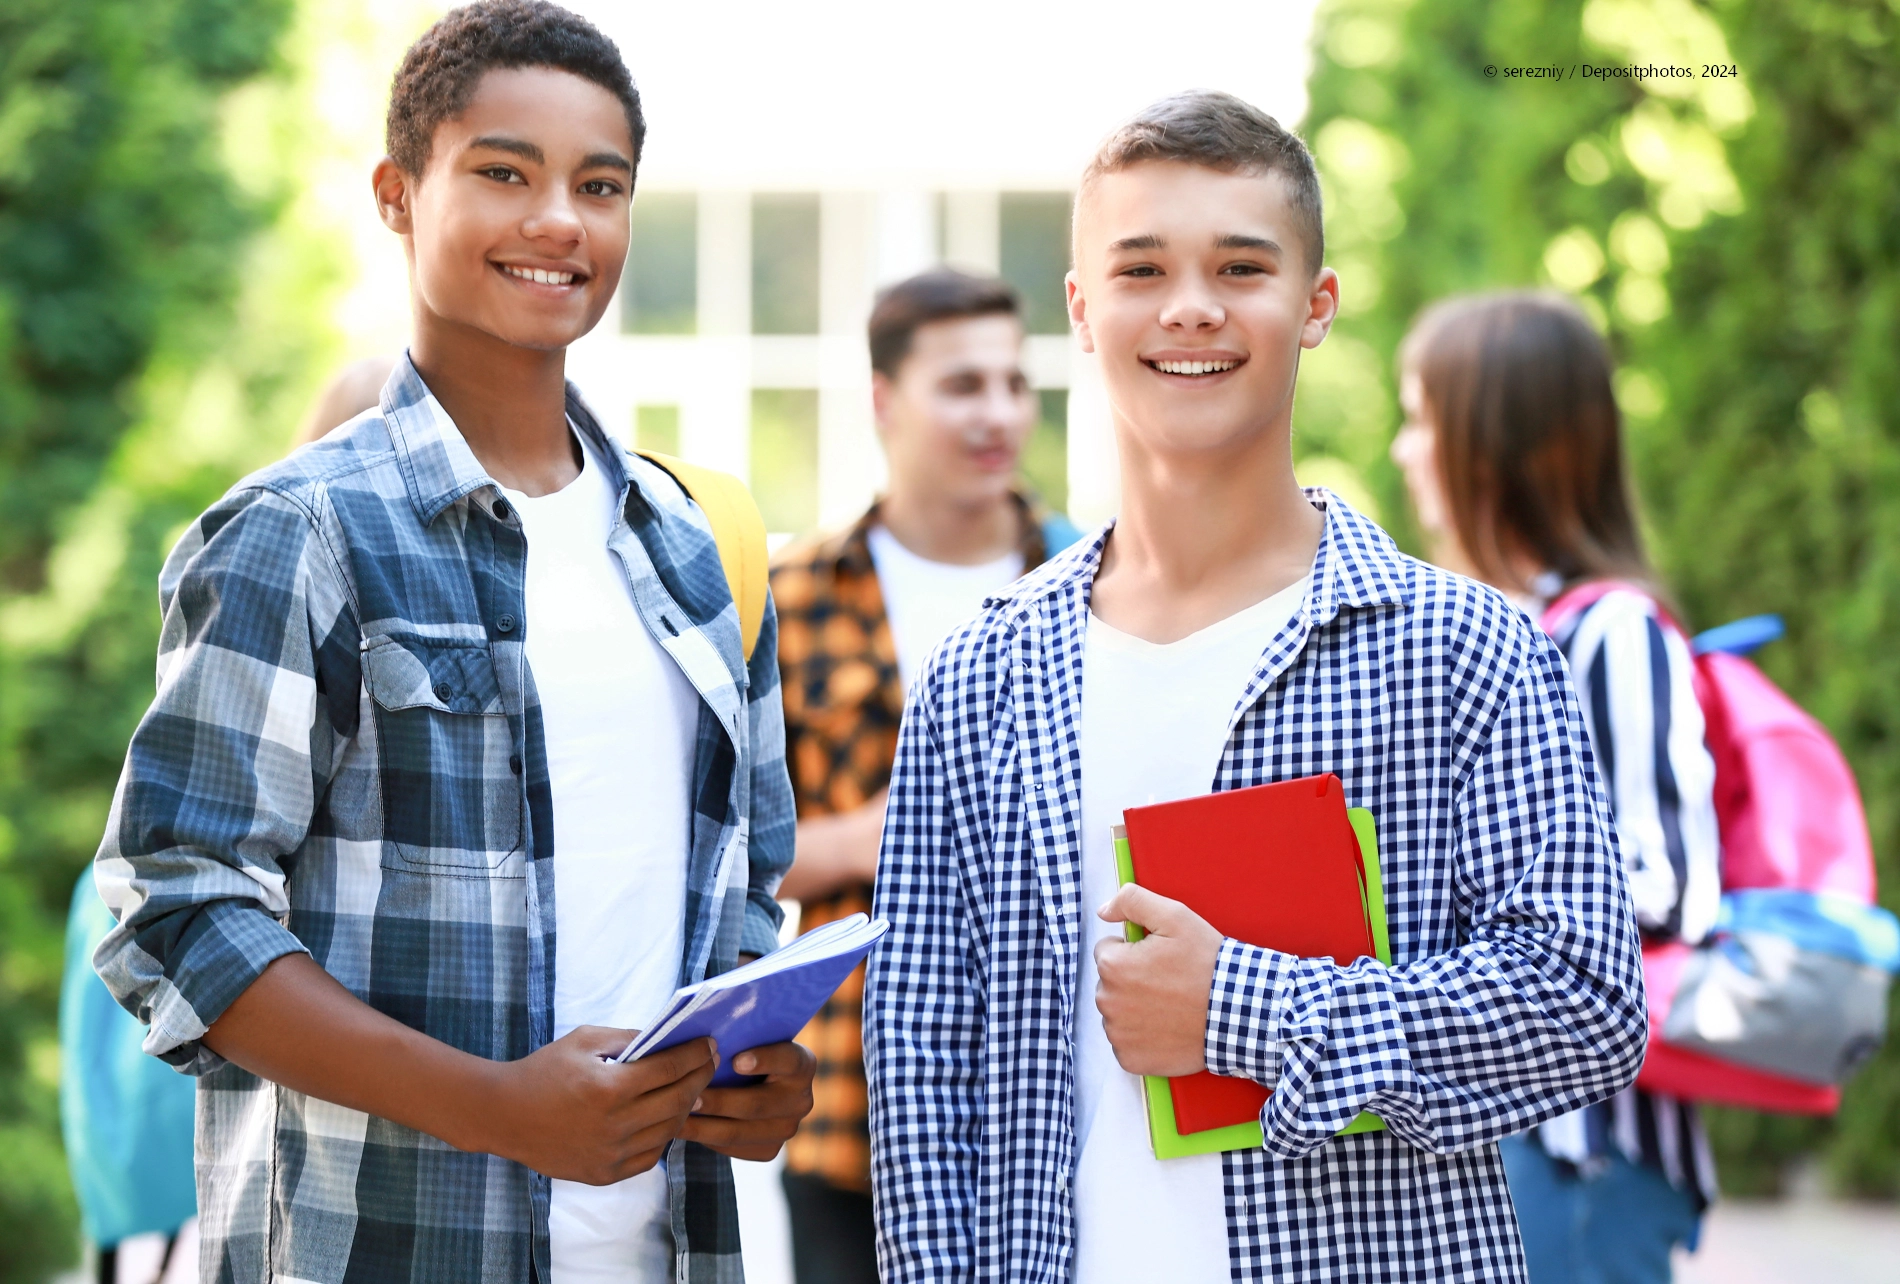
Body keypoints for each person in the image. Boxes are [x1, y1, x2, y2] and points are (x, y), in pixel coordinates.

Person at [863, 90, 1647, 1284]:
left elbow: (1584, 1006)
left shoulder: (1463, 650)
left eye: (1241, 266)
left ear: (1314, 306)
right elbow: (923, 1071)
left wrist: (1240, 1008)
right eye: (1141, 269)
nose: (1190, 306)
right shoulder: (982, 675)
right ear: (1081, 309)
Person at [89, 5, 811, 1282]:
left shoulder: (698, 549)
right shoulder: (297, 533)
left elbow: (740, 900)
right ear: (397, 195)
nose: (558, 222)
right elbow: (175, 911)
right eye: (503, 173)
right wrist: (500, 1110)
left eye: (601, 185)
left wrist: (755, 1075)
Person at [1391, 291, 1720, 1283]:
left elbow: (1668, 885)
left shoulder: (1610, 633)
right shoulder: (1483, 631)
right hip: (1499, 1140)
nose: (1407, 453)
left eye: (1422, 420)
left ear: (1491, 446)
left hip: (1587, 1152)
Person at [770, 268, 1081, 1284]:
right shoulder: (793, 597)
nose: (997, 414)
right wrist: (879, 834)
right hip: (851, 1104)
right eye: (961, 386)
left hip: (1066, 1089)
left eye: (1012, 383)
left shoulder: (1098, 583)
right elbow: (725, 850)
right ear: (883, 401)